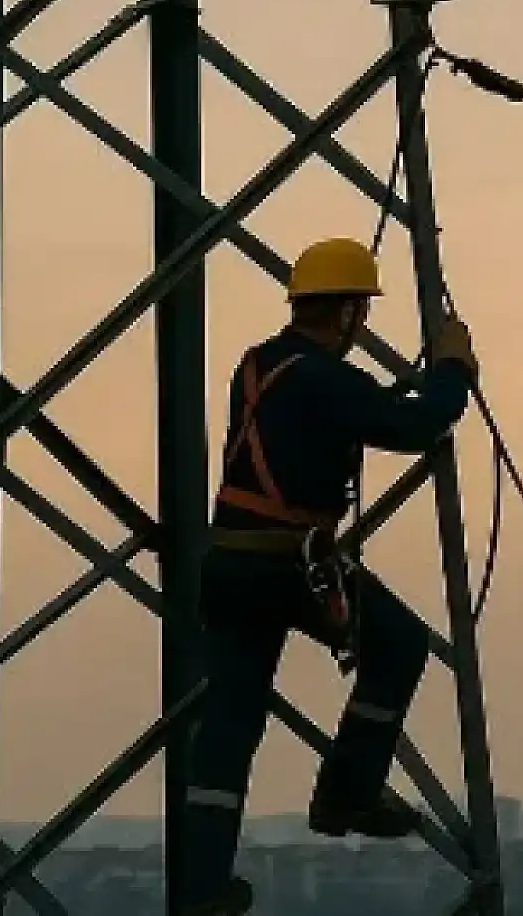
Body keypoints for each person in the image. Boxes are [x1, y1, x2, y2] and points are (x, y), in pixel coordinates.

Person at [177, 236, 481, 916]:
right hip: (288, 563)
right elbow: (417, 425)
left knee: (229, 721)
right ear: (347, 312)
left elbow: (344, 412)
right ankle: (347, 792)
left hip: (230, 563)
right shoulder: (325, 380)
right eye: (360, 311)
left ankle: (201, 887)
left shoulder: (258, 365)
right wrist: (453, 367)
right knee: (398, 646)